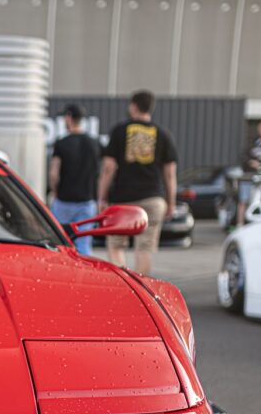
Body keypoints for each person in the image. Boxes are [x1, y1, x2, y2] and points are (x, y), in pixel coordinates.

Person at [97, 90, 177, 276]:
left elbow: (108, 168)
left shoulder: (119, 131)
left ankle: (123, 284)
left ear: (133, 106)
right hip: (153, 199)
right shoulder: (163, 134)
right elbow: (170, 174)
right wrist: (170, 202)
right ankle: (139, 287)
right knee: (144, 248)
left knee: (116, 245)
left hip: (123, 199)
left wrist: (101, 197)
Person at [48, 104, 102, 255]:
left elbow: (54, 174)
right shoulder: (94, 143)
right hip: (87, 202)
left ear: (69, 117)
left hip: (64, 201)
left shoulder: (61, 143)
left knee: (60, 244)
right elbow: (100, 173)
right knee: (84, 245)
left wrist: (55, 191)